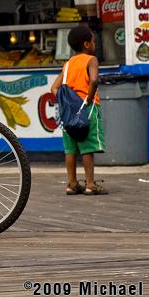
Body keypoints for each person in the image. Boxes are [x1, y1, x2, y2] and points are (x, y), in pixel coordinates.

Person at [50, 25, 108, 196]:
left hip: (69, 112)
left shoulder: (68, 64)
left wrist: (67, 101)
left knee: (70, 148)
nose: (94, 44)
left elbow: (54, 88)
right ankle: (90, 184)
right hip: (87, 109)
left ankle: (72, 183)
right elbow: (94, 81)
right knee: (87, 147)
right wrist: (88, 99)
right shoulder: (91, 60)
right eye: (93, 41)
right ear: (86, 44)